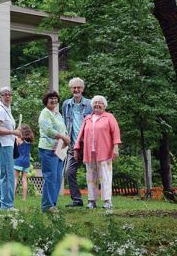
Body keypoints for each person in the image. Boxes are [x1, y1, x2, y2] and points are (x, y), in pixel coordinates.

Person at [74, 95, 121, 210]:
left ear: (104, 105)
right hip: (89, 152)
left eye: (100, 103)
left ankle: (107, 201)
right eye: (95, 103)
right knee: (90, 176)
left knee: (105, 176)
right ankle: (91, 200)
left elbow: (115, 133)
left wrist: (115, 148)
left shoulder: (109, 117)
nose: (97, 105)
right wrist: (76, 149)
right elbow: (80, 135)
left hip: (105, 152)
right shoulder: (88, 118)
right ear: (92, 105)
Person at [62, 77, 92, 207]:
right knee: (69, 171)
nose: (76, 90)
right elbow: (64, 123)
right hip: (73, 145)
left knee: (91, 172)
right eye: (74, 87)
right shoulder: (66, 104)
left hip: (88, 144)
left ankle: (93, 200)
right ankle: (77, 199)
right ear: (70, 89)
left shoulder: (90, 104)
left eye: (78, 87)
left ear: (83, 89)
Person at [38, 90, 70, 212]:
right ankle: (46, 205)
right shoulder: (45, 113)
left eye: (55, 98)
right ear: (46, 100)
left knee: (57, 177)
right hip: (48, 149)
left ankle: (53, 204)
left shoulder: (58, 114)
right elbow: (48, 130)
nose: (54, 100)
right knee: (50, 177)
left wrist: (66, 138)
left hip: (59, 150)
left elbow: (64, 129)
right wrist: (63, 137)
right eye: (51, 98)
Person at [0, 86, 22, 211]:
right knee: (8, 175)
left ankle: (1, 204)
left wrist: (14, 136)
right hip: (2, 146)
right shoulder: (0, 110)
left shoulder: (7, 109)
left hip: (7, 145)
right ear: (0, 96)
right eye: (4, 94)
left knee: (3, 175)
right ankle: (7, 205)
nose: (7, 96)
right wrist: (13, 132)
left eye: (9, 94)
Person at [14, 124, 34, 201]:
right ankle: (24, 198)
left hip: (18, 160)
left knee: (15, 179)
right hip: (26, 162)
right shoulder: (29, 141)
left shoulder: (19, 140)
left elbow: (15, 145)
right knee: (24, 179)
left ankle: (13, 197)